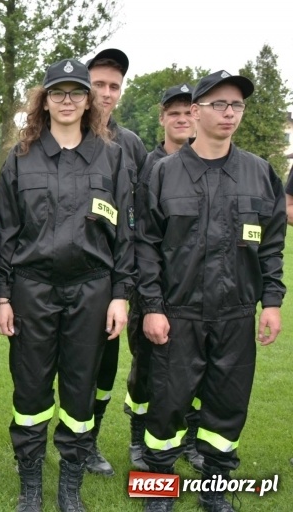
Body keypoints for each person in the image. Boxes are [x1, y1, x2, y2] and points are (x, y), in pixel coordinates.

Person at [137, 71, 285, 512]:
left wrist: (272, 303)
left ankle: (215, 489)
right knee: (165, 407)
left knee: (226, 407)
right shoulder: (164, 174)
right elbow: (145, 247)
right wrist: (152, 307)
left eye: (236, 105)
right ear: (197, 109)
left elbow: (272, 244)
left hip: (236, 313)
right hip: (177, 314)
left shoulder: (259, 174)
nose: (229, 113)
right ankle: (158, 489)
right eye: (219, 104)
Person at [0, 59, 135, 512]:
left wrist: (120, 295)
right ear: (45, 100)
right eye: (59, 92)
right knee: (31, 391)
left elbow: (127, 235)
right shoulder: (20, 157)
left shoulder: (112, 156)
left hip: (92, 289)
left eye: (77, 92)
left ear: (89, 100)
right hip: (32, 289)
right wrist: (2, 295)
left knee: (79, 389)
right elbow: (4, 234)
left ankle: (69, 486)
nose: (69, 100)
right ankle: (31, 484)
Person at [125, 83, 203, 473]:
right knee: (148, 368)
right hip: (151, 291)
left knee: (194, 371)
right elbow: (141, 234)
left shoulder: (203, 163)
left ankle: (189, 437)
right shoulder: (149, 166)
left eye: (189, 111)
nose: (182, 118)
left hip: (195, 293)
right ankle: (140, 437)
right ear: (162, 118)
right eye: (174, 112)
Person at [83, 47, 147, 477]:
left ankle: (88, 442)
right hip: (57, 279)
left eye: (114, 86)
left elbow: (137, 217)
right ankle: (35, 447)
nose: (106, 93)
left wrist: (125, 284)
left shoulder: (131, 145)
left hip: (110, 280)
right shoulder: (59, 135)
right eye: (99, 84)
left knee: (103, 366)